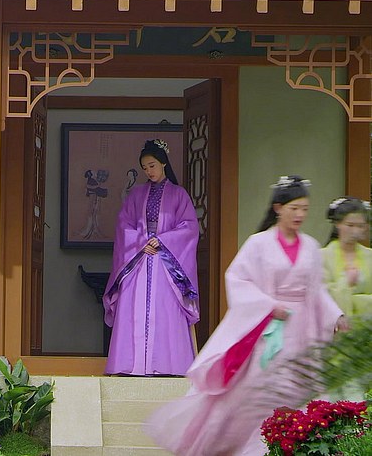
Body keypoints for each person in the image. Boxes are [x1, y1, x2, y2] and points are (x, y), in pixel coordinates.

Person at [146, 175, 349, 456]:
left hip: (302, 330)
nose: (300, 214)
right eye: (294, 208)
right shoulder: (258, 244)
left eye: (304, 209)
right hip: (268, 330)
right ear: (278, 208)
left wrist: (336, 316)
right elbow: (238, 279)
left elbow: (317, 291)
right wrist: (268, 305)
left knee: (299, 389)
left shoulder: (311, 247)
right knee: (257, 391)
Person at [102, 139, 200, 376]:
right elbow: (123, 224)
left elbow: (189, 227)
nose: (149, 171)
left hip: (166, 261)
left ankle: (167, 364)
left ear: (163, 163)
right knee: (133, 307)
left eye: (152, 166)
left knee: (165, 309)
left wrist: (163, 240)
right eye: (145, 168)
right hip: (140, 257)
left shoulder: (179, 194)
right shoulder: (136, 194)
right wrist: (140, 242)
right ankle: (130, 365)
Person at [322, 196, 372, 317]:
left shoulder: (370, 255)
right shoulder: (322, 256)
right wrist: (346, 282)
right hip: (332, 322)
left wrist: (356, 300)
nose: (355, 231)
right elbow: (322, 296)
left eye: (360, 226)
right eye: (350, 225)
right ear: (337, 224)